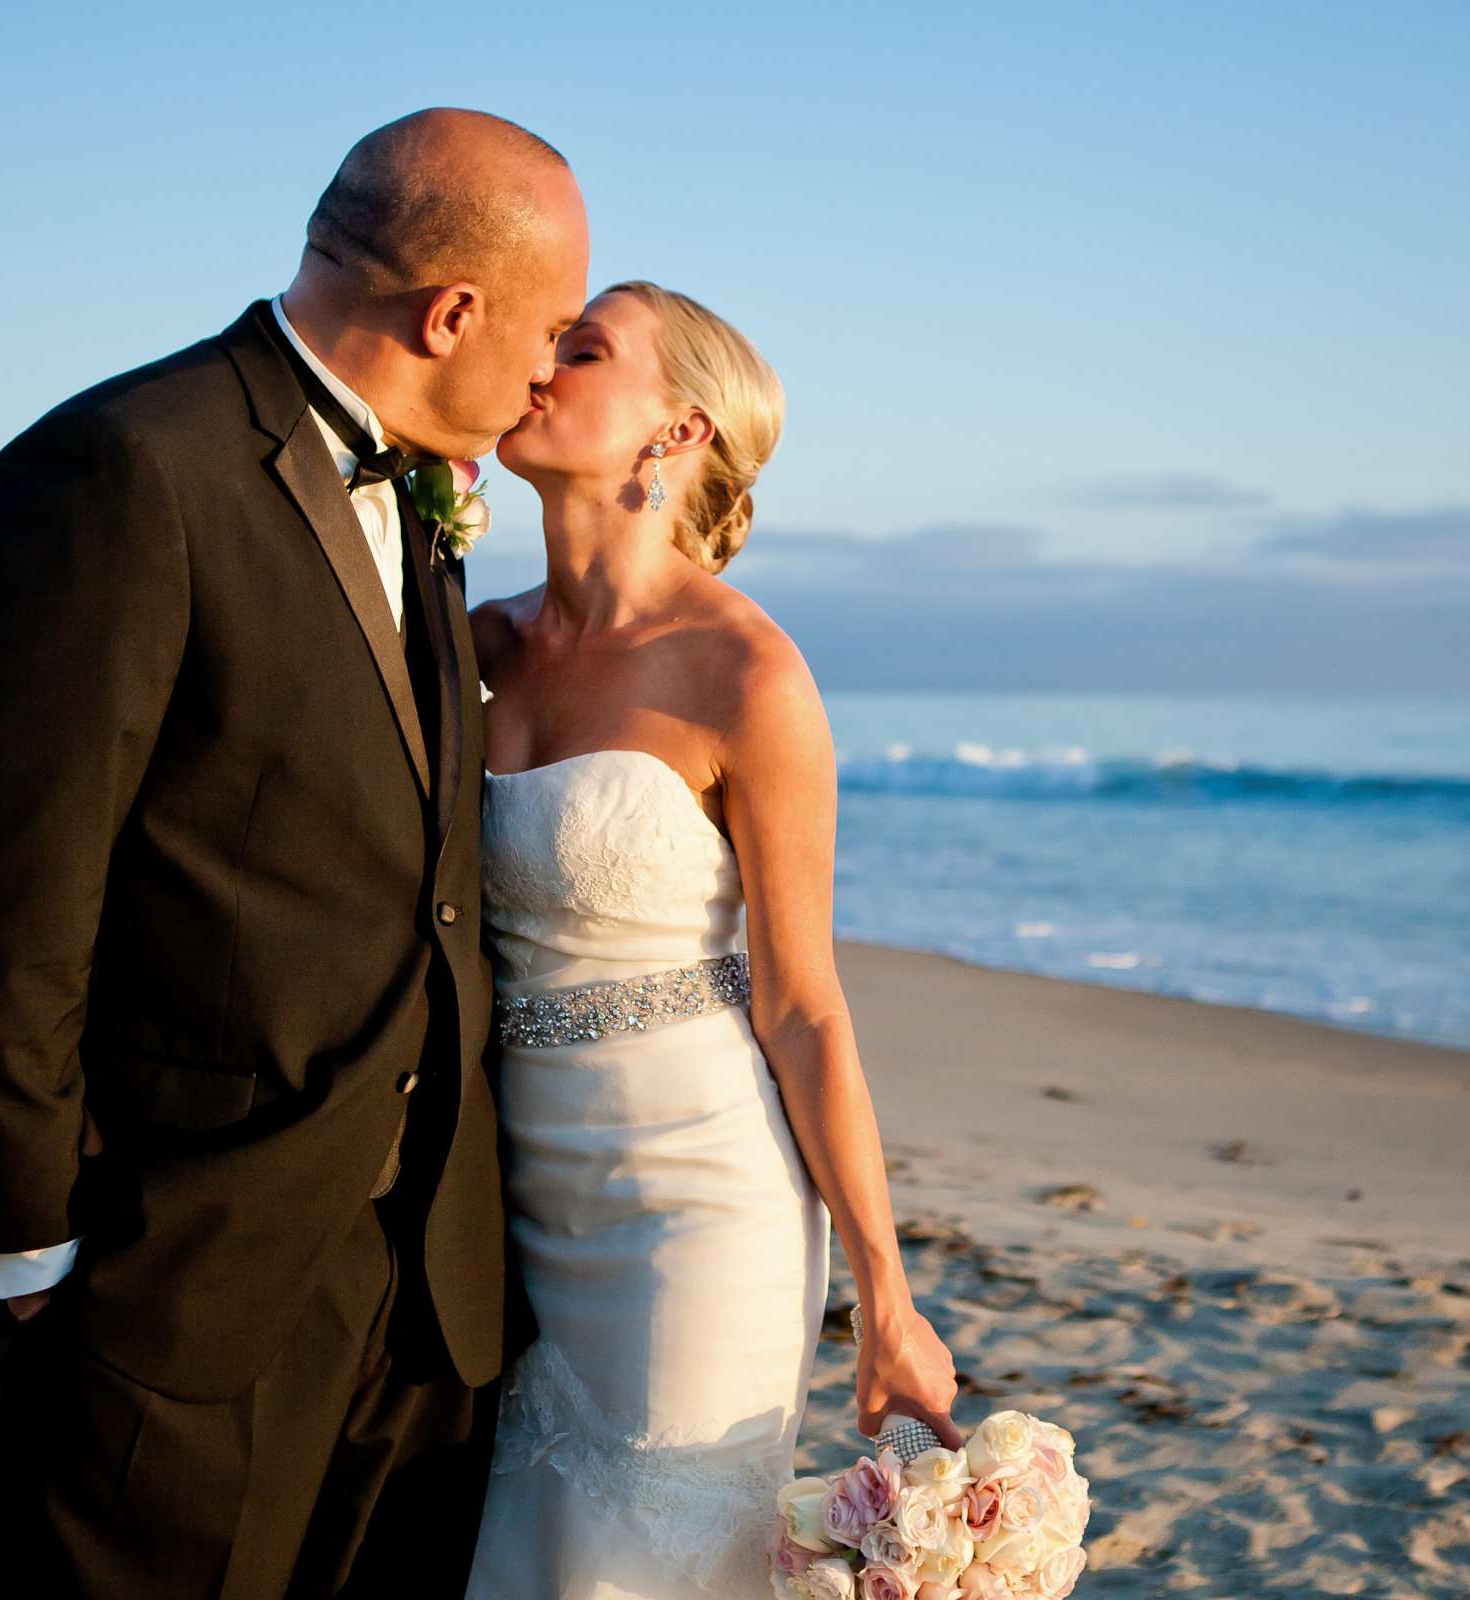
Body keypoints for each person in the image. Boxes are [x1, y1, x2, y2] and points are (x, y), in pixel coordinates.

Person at [0, 108, 588, 1598]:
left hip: (430, 1307)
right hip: (181, 1276)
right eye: (550, 327)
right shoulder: (122, 471)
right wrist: (30, 1249)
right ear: (448, 312)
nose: (546, 371)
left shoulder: (437, 501)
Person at [461, 282, 961, 1595]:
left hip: (697, 1205)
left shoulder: (749, 675)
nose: (539, 363)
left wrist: (888, 1300)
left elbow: (805, 1007)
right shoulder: (470, 644)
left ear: (676, 432)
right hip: (504, 1191)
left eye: (581, 349)